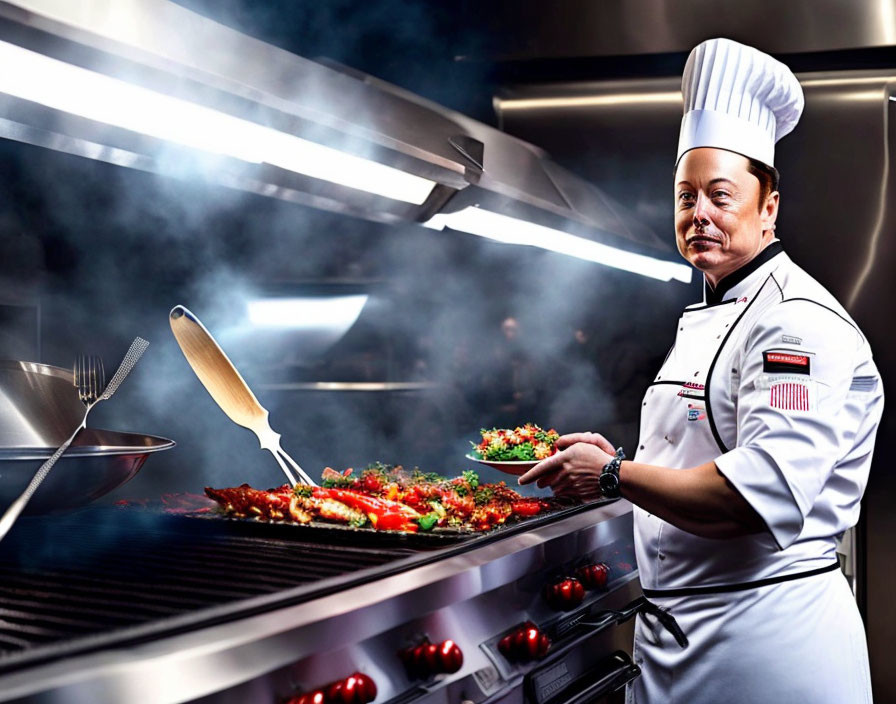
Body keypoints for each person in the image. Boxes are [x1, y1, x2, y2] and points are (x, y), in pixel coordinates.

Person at [519, 38, 883, 704]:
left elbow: (751, 495)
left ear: (768, 206)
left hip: (764, 648)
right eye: (686, 198)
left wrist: (611, 475)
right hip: (683, 636)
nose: (700, 216)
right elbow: (708, 448)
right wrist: (625, 462)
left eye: (721, 196)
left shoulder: (794, 323)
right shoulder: (715, 308)